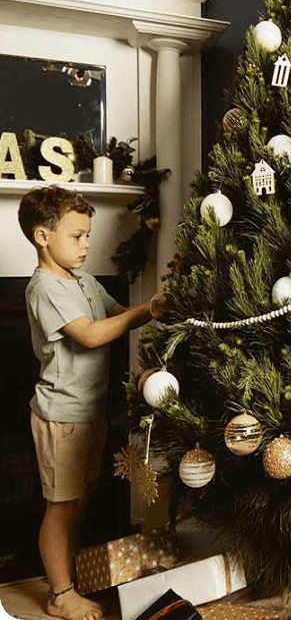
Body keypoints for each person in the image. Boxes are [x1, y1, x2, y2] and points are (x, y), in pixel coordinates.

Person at [18, 185, 154, 620]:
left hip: (90, 412)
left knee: (79, 500)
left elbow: (116, 313)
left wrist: (156, 308)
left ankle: (69, 575)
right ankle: (60, 594)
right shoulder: (45, 289)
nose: (87, 244)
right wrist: (146, 309)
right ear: (43, 236)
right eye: (77, 236)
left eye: (88, 235)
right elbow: (92, 334)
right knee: (60, 506)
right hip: (61, 417)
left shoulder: (85, 282)